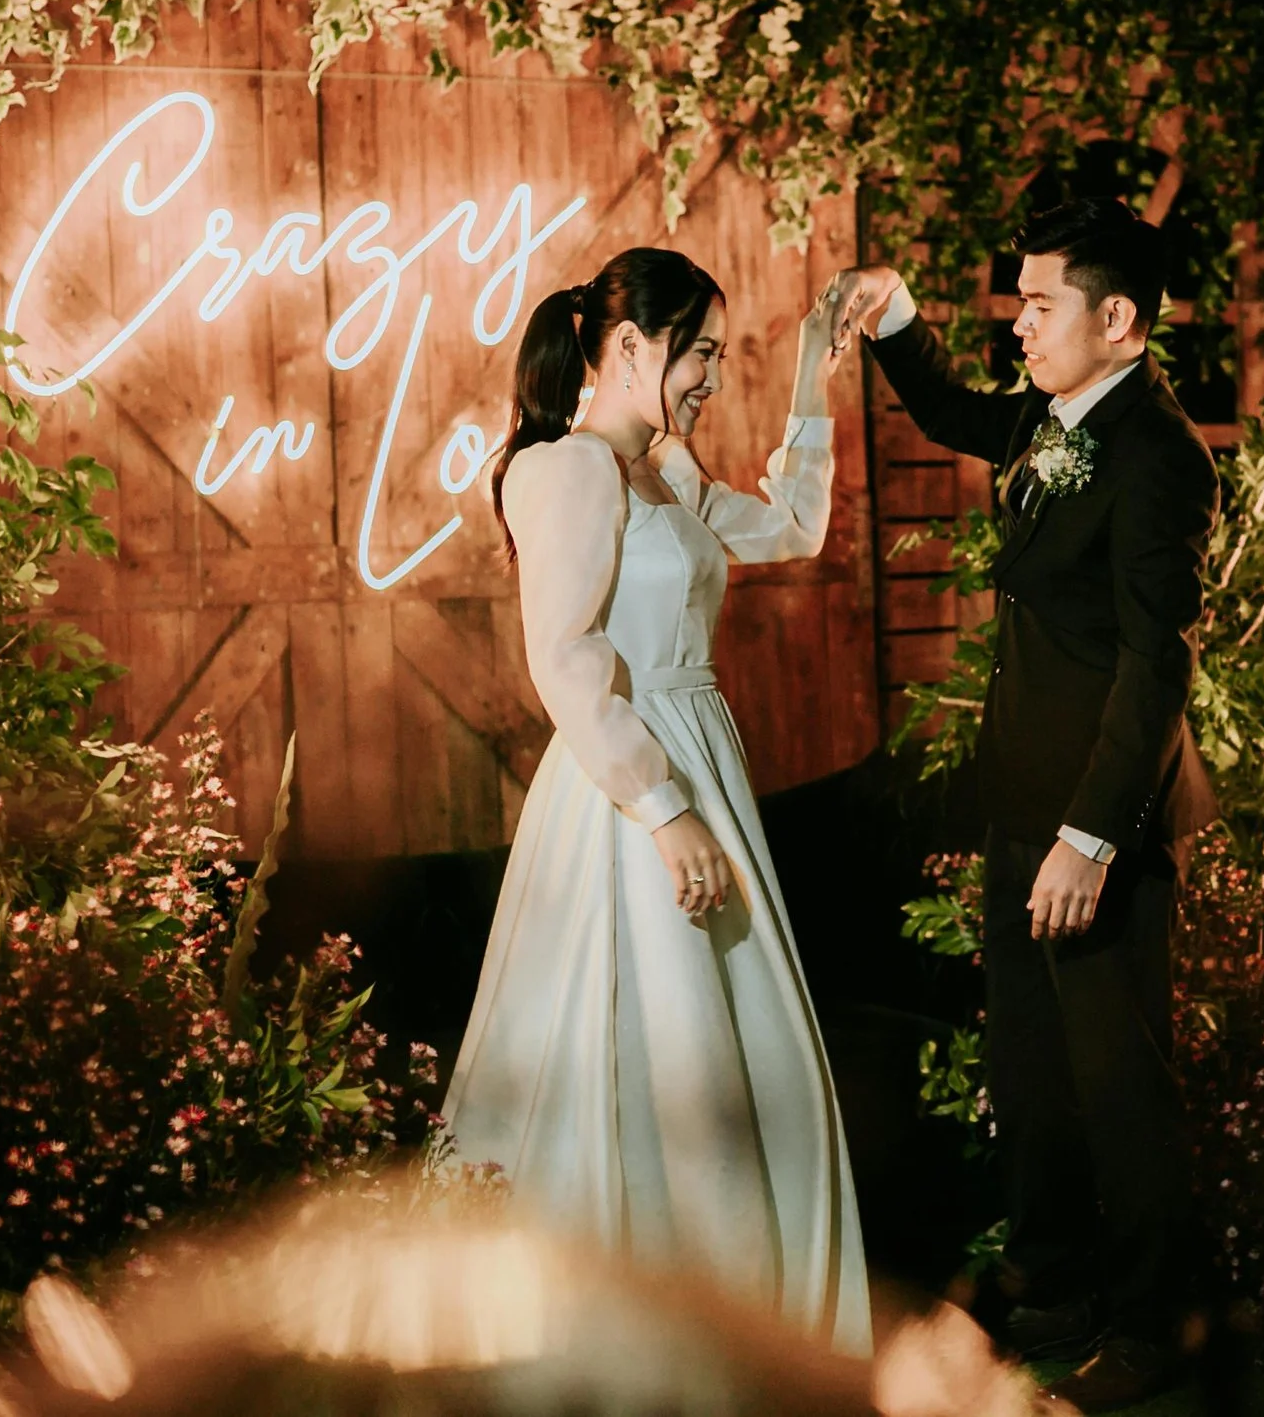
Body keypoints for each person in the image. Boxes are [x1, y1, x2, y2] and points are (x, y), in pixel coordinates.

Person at [442, 247, 870, 1355]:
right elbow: (564, 656)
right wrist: (664, 809)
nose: (711, 379)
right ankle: (638, 1336)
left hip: (700, 762)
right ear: (629, 346)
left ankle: (744, 1326)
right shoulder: (569, 469)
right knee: (652, 1046)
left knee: (736, 1046)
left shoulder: (662, 472)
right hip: (630, 790)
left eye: (720, 358)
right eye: (699, 355)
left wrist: (811, 367)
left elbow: (793, 529)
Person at [836, 199, 1220, 1412]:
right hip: (1018, 804)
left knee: (1119, 1080)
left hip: (1101, 826)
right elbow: (954, 414)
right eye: (1019, 304)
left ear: (1118, 317)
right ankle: (1053, 1282)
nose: (1019, 326)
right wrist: (895, 317)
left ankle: (1159, 1322)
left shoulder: (1159, 456)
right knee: (1031, 1065)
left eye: (1040, 305)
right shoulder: (1055, 414)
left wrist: (1090, 837)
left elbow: (1154, 666)